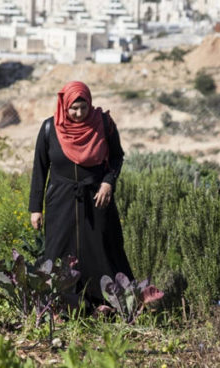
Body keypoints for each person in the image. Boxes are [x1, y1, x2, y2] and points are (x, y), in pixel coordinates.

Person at [29, 81, 133, 305]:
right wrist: (35, 208)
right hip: (60, 201)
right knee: (58, 251)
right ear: (64, 107)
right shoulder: (50, 128)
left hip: (97, 199)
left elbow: (116, 157)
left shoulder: (103, 124)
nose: (78, 113)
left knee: (103, 250)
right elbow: (40, 168)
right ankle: (59, 305)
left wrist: (108, 183)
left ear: (90, 104)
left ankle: (109, 305)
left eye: (83, 108)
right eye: (73, 109)